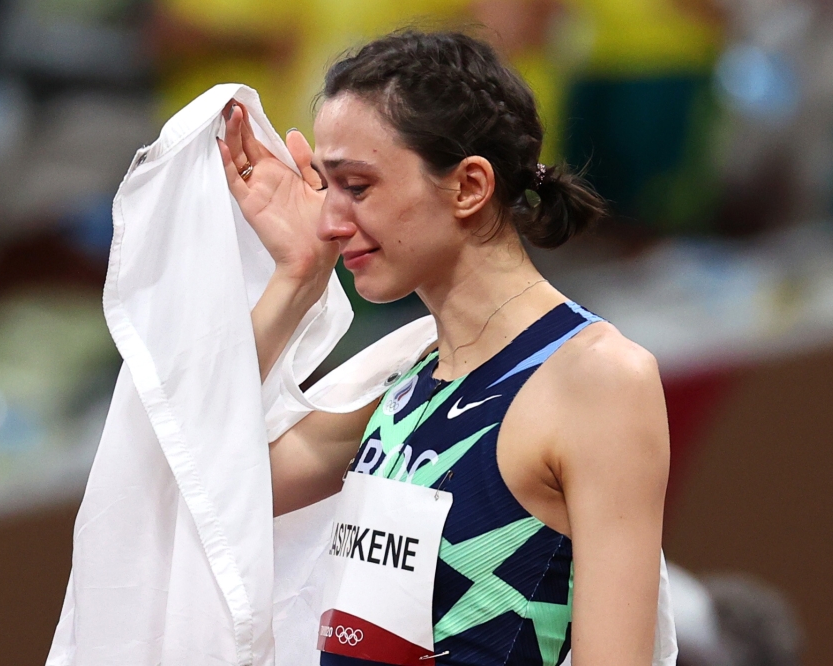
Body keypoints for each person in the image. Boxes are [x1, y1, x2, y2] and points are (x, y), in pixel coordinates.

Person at [217, 30, 670, 666]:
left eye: (358, 185)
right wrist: (295, 276)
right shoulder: (402, 378)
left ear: (467, 186)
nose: (329, 220)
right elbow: (210, 490)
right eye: (326, 185)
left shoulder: (599, 378)